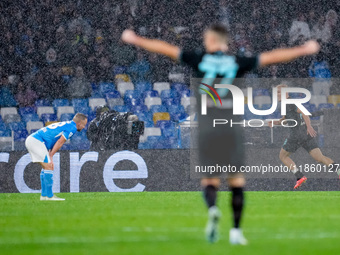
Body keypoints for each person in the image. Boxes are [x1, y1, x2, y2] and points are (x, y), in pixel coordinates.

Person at [121, 24, 320, 245]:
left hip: (208, 129)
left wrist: (136, 39)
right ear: (225, 43)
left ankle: (214, 209)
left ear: (210, 41)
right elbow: (272, 57)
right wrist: (303, 49)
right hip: (231, 129)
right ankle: (235, 232)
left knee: (210, 180)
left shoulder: (198, 59)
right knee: (236, 182)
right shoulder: (236, 62)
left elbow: (165, 48)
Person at [269, 84, 339, 188]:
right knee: (320, 158)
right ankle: (338, 170)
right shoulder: (286, 103)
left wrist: (309, 126)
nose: (277, 94)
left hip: (296, 135)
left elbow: (304, 112)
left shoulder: (289, 102)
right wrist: (276, 122)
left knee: (283, 156)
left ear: (285, 93)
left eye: (279, 92)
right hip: (305, 135)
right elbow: (286, 117)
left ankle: (299, 176)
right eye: (276, 92)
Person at [25, 113, 88, 201]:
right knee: (49, 166)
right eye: (84, 125)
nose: (84, 127)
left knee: (46, 167)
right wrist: (51, 155)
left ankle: (44, 196)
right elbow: (60, 142)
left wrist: (50, 153)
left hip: (34, 140)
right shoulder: (72, 128)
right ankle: (50, 196)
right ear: (79, 124)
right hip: (36, 141)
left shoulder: (68, 124)